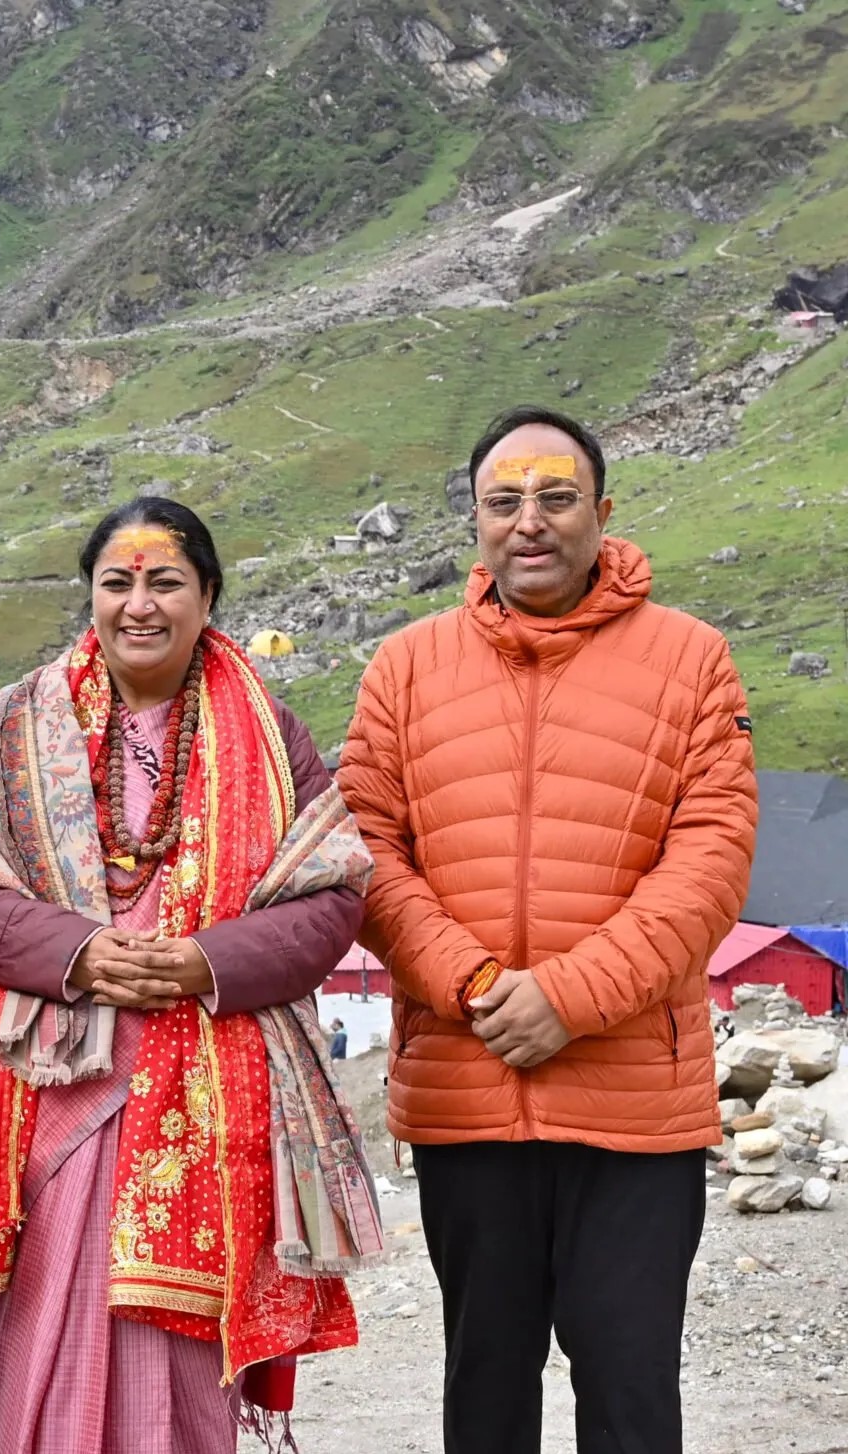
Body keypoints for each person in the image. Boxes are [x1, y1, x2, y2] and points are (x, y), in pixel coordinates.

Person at [0, 498, 374, 1451]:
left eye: (166, 581)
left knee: (181, 1352)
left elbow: (332, 896)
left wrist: (206, 961)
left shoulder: (272, 735)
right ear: (90, 595)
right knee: (48, 1320)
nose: (139, 604)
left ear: (208, 596)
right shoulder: (18, 723)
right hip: (56, 1079)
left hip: (211, 1080)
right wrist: (74, 952)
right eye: (117, 582)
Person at [339, 405, 756, 1454]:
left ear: (603, 513)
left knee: (626, 1387)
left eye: (556, 497)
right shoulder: (403, 667)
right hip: (465, 1089)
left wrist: (567, 996)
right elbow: (363, 853)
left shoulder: (692, 659)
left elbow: (709, 860)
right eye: (504, 500)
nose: (530, 521)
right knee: (484, 1387)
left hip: (632, 1104)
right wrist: (476, 983)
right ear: (473, 521)